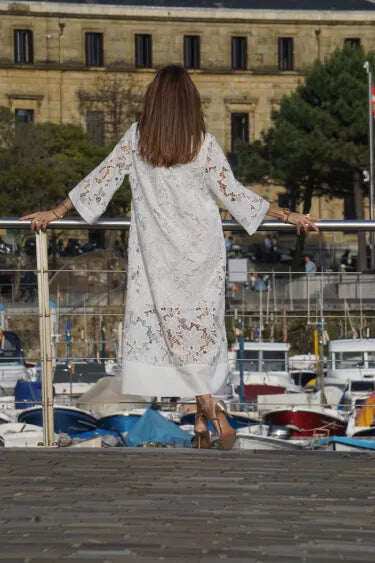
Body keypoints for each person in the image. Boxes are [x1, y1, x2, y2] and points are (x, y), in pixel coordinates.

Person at [20, 64, 319, 449]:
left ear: (154, 100)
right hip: (200, 255)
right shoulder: (203, 143)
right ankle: (209, 411)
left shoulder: (138, 140)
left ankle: (205, 414)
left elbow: (101, 179)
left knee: (171, 334)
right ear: (190, 101)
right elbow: (234, 193)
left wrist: (57, 211)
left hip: (156, 254)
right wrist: (288, 215)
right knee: (197, 336)